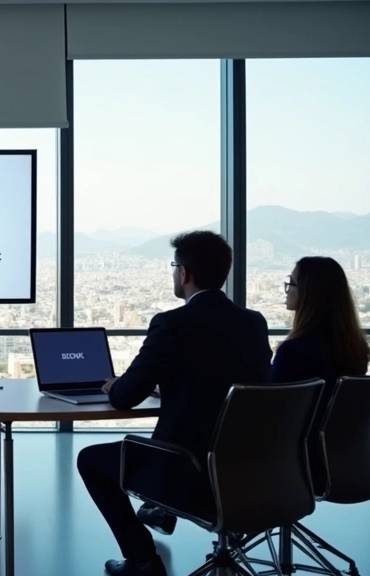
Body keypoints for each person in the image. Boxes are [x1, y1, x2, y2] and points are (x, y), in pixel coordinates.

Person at [77, 231, 272, 576]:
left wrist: (115, 384)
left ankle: (143, 560)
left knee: (90, 460)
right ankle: (156, 515)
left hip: (189, 469)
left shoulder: (171, 324)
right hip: (252, 466)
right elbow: (230, 382)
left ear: (184, 273)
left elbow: (125, 397)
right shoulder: (253, 322)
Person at [271, 256, 370, 491]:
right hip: (347, 459)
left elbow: (274, 414)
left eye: (291, 283)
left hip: (297, 462)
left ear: (309, 293)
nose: (287, 290)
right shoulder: (354, 350)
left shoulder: (294, 351)